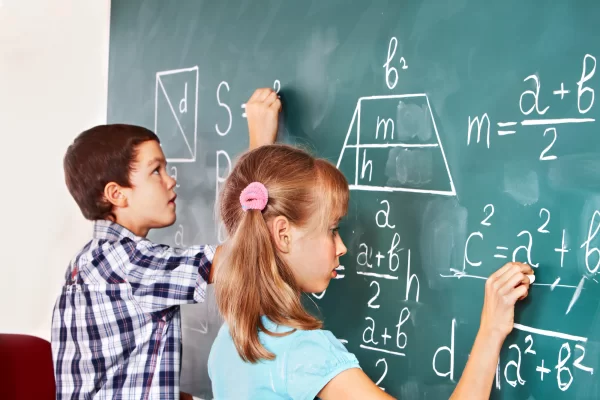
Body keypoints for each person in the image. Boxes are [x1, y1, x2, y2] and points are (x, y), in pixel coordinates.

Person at [208, 143, 534, 399]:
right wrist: (491, 329)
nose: (342, 247)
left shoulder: (231, 338)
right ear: (283, 234)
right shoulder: (304, 353)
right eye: (332, 230)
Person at [51, 88, 281, 399]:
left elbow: (122, 380)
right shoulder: (123, 262)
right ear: (117, 194)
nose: (171, 180)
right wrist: (260, 145)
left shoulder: (91, 261)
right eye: (156, 171)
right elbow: (240, 255)